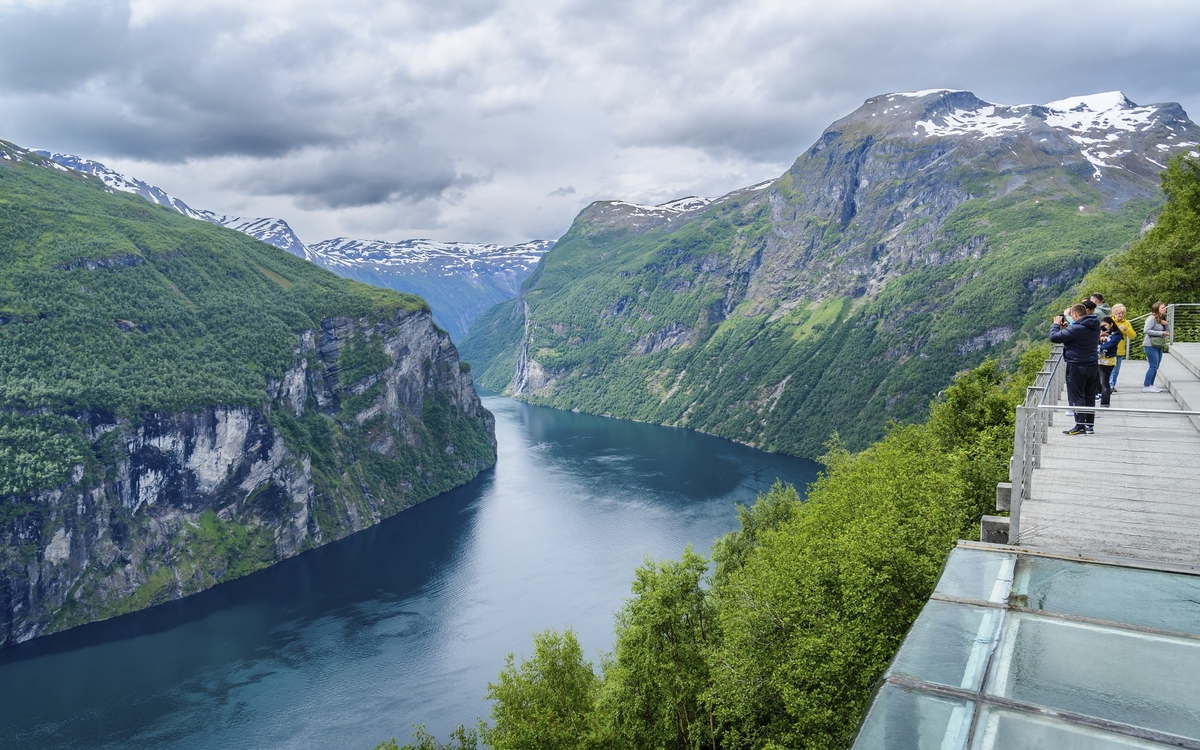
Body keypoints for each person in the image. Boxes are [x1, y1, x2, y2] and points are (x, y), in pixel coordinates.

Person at [1051, 303, 1100, 435]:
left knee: (1077, 396)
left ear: (1075, 315)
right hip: (1092, 364)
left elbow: (1054, 337)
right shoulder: (1095, 325)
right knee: (1089, 395)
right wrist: (1068, 328)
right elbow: (1078, 338)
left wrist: (1056, 325)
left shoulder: (1077, 328)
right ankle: (1089, 425)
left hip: (1077, 365)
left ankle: (1080, 426)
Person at [1143, 301, 1171, 393]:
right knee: (1153, 365)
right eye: (1162, 307)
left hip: (1159, 344)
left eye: (1164, 307)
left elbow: (1167, 332)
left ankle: (1151, 384)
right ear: (1157, 309)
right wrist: (1161, 333)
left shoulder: (1161, 319)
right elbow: (1146, 330)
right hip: (1150, 344)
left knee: (1156, 365)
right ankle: (1146, 385)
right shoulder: (1151, 318)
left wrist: (1165, 324)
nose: (1165, 309)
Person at [1109, 303, 1137, 391]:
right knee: (1108, 369)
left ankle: (1111, 385)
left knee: (1116, 370)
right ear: (1114, 314)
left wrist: (1126, 329)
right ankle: (1108, 385)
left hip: (1120, 350)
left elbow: (1132, 336)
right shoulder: (1109, 321)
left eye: (1122, 313)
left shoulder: (1126, 323)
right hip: (1109, 349)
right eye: (1118, 313)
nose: (1120, 315)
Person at [1098, 316, 1121, 406]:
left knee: (1104, 381)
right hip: (1099, 359)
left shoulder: (1117, 334)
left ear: (1111, 324)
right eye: (1102, 326)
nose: (1104, 327)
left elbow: (1112, 343)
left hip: (1108, 360)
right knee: (1097, 380)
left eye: (1105, 325)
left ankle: (1105, 402)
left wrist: (1102, 344)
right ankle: (1099, 395)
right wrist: (1100, 336)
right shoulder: (1100, 333)